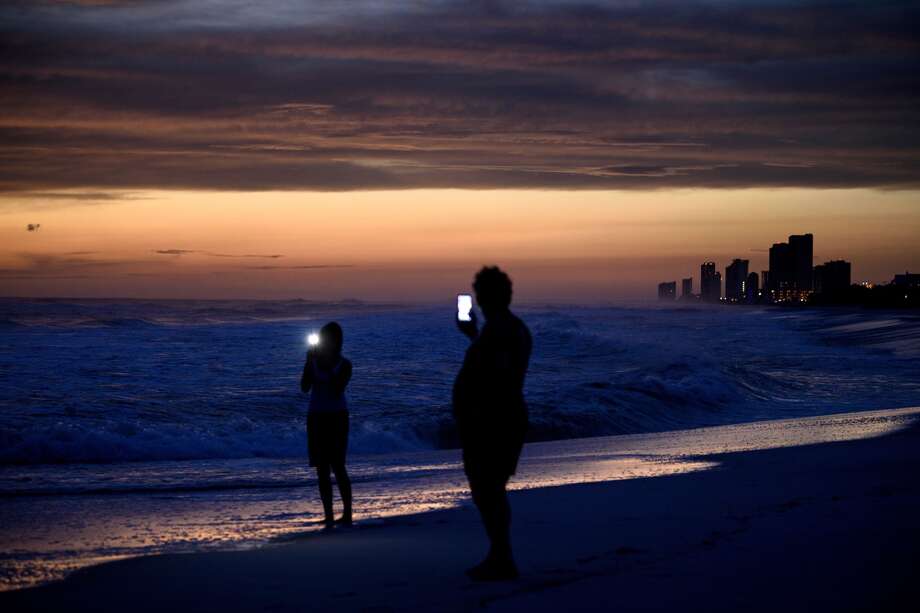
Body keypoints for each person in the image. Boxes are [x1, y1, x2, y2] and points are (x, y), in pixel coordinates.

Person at [453, 266, 532, 581]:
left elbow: (497, 375)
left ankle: (502, 557)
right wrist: (472, 335)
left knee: (489, 490)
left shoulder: (503, 330)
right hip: (495, 418)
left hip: (496, 420)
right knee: (488, 489)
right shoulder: (502, 328)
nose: (479, 298)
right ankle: (500, 554)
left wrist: (475, 339)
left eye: (481, 292)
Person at [301, 321, 353, 528]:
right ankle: (329, 515)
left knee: (338, 466)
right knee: (321, 468)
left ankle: (347, 513)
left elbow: (337, 388)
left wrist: (326, 367)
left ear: (337, 341)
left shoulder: (345, 364)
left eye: (328, 338)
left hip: (337, 416)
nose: (325, 342)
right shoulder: (313, 361)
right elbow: (304, 387)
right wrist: (308, 362)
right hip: (316, 416)